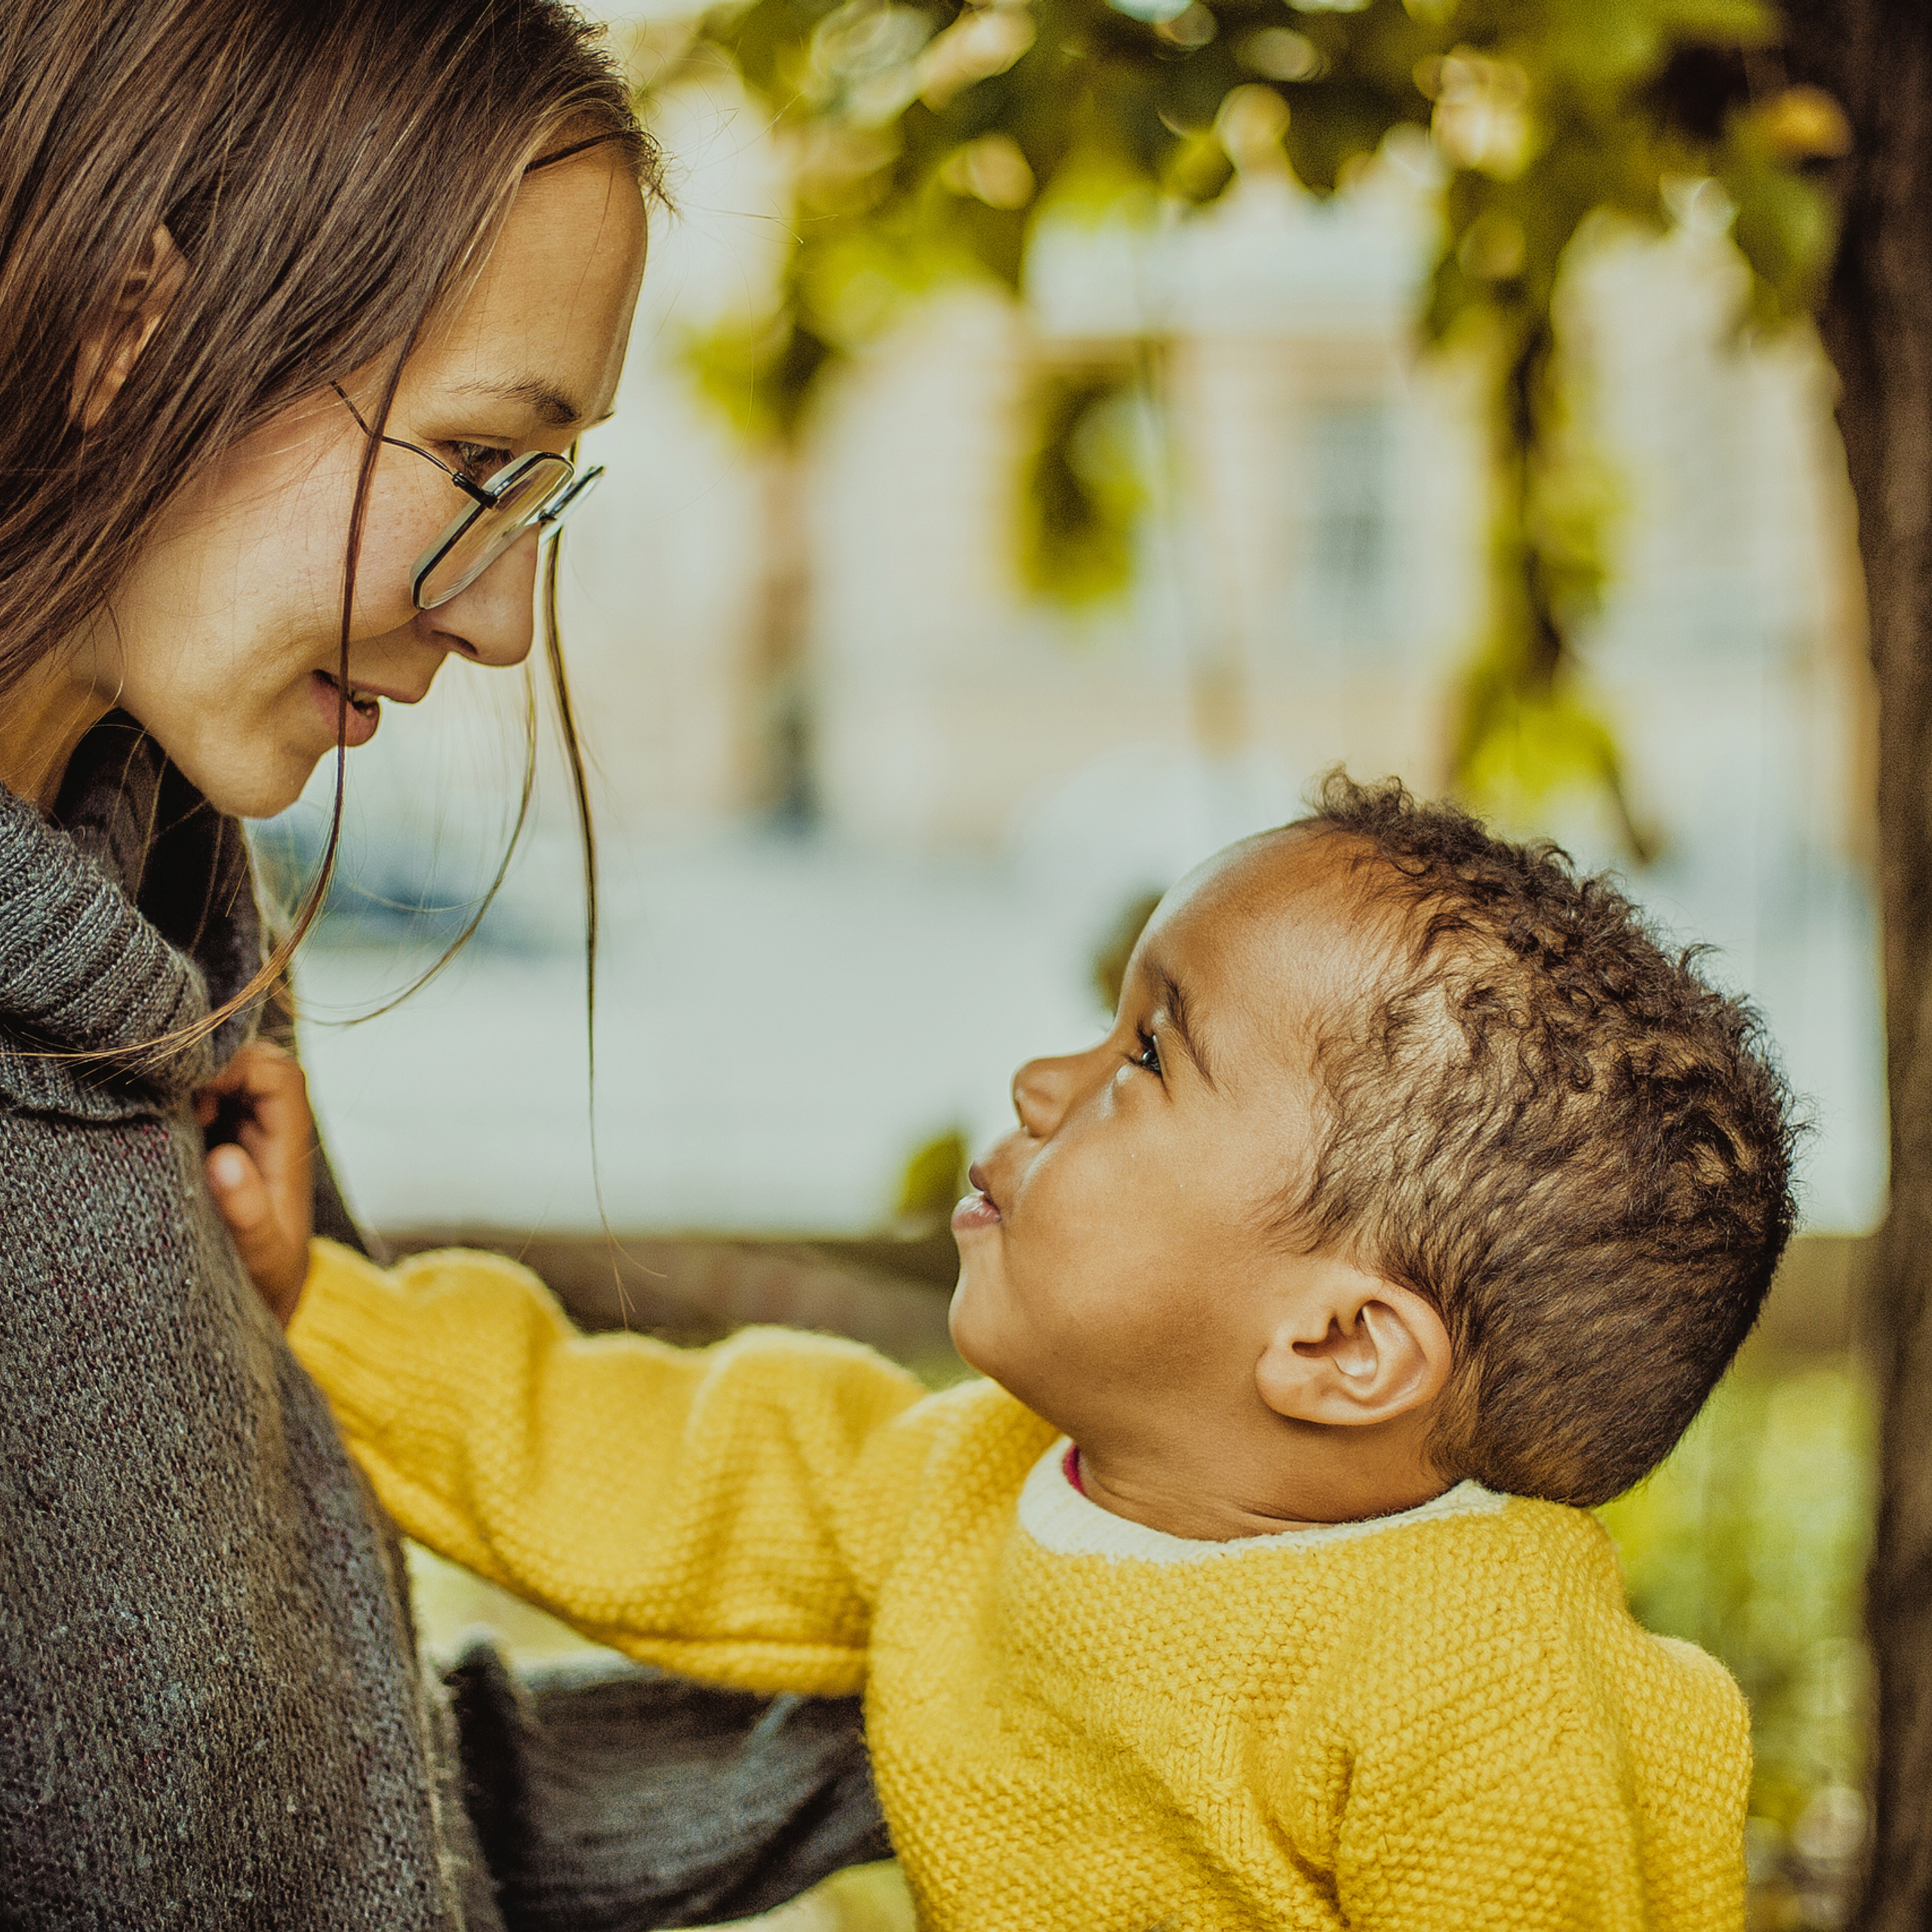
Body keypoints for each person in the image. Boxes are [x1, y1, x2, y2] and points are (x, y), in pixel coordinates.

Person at [213, 775, 1799, 1931]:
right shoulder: (977, 1481)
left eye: (1144, 1057)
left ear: (1335, 1340)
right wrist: (321, 1308)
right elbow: (673, 1465)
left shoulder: (1479, 1685)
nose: (1045, 1078)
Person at [0, 4, 884, 1924]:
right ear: (122, 326)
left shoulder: (162, 904)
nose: (500, 621)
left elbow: (328, 1799)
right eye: (484, 459)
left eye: (543, 494)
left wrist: (1022, 1672)